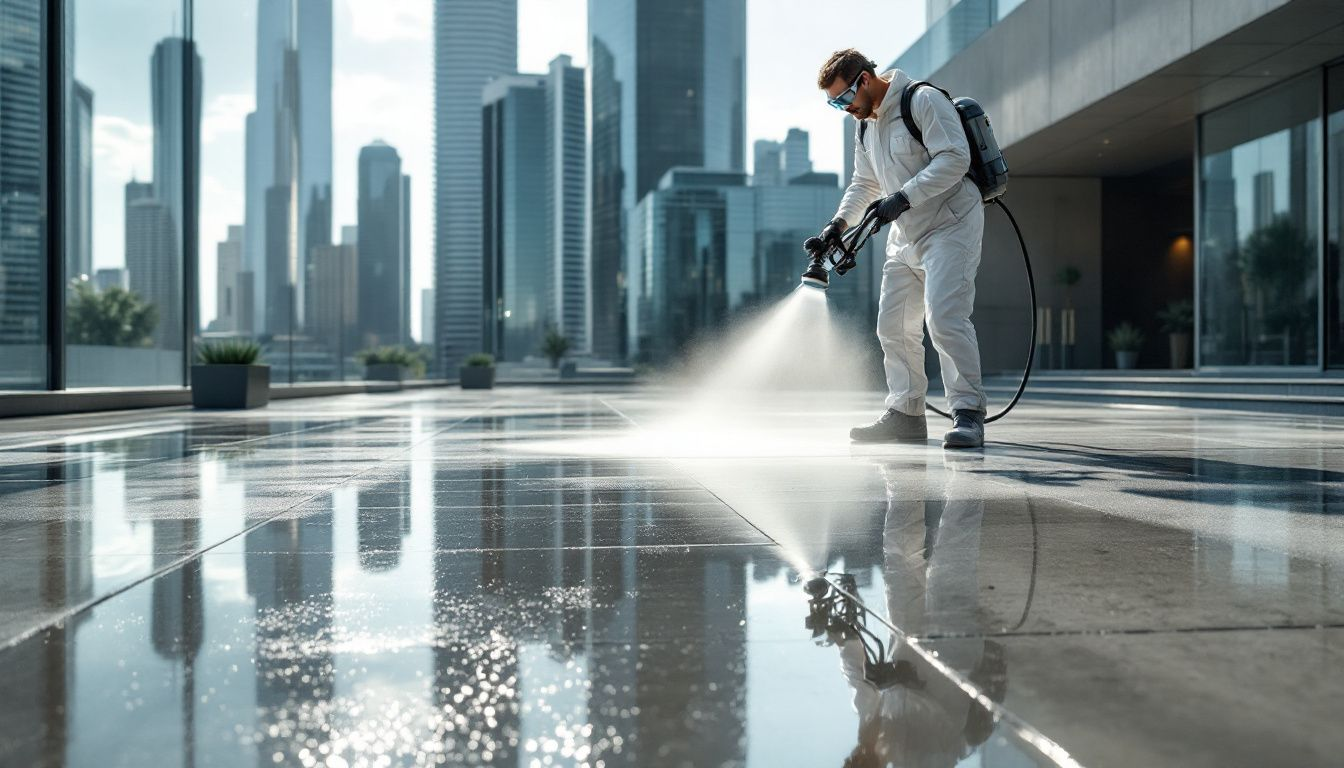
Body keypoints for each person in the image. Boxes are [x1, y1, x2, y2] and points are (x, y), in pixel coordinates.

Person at [814, 49, 988, 449]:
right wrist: (837, 225)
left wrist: (904, 197)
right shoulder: (864, 127)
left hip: (951, 224)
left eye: (844, 99)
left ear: (863, 79)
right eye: (834, 104)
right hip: (905, 236)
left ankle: (968, 414)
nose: (844, 109)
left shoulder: (922, 100)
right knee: (892, 326)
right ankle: (906, 415)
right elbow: (864, 184)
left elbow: (955, 158)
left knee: (945, 318)